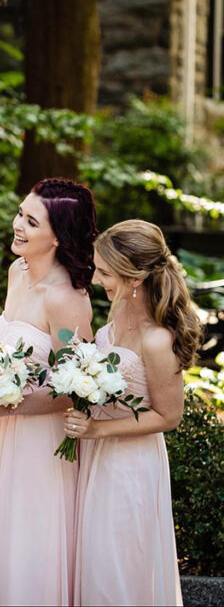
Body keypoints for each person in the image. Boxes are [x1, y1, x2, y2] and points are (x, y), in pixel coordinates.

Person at [0, 177, 97, 605]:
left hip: (40, 444)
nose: (17, 225)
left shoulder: (66, 298)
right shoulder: (16, 272)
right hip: (0, 437)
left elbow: (78, 387)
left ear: (58, 236)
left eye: (31, 221)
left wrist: (11, 405)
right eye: (20, 213)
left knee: (27, 547)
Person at [67, 219, 199, 605]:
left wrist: (96, 430)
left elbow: (169, 417)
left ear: (135, 276)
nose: (96, 280)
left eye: (105, 273)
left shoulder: (157, 339)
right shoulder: (120, 306)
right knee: (94, 563)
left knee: (116, 568)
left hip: (130, 467)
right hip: (96, 457)